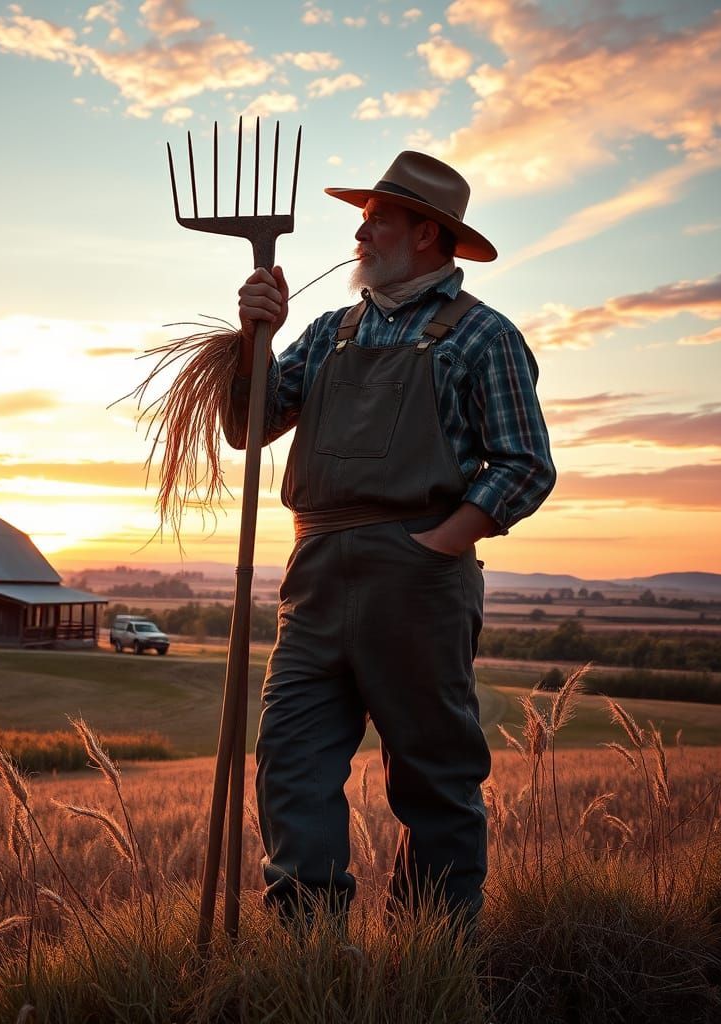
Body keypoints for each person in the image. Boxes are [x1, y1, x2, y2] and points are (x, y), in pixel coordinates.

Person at [221, 150, 556, 928]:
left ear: (428, 234)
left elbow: (524, 465)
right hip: (313, 577)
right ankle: (312, 954)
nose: (360, 233)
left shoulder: (482, 335)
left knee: (433, 776)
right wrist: (252, 338)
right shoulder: (329, 333)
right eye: (363, 218)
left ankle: (431, 952)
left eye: (376, 218)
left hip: (417, 583)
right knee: (290, 759)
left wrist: (435, 546)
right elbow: (248, 427)